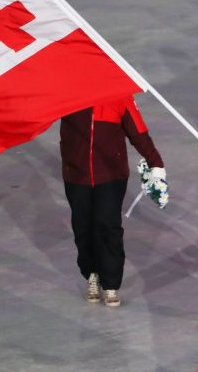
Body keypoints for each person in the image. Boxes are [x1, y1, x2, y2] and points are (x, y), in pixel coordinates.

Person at [60, 96, 165, 306]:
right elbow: (38, 112)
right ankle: (91, 274)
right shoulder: (68, 92)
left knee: (108, 226)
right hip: (76, 174)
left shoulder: (120, 94)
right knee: (82, 226)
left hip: (111, 175)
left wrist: (155, 162)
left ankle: (110, 284)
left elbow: (138, 131)